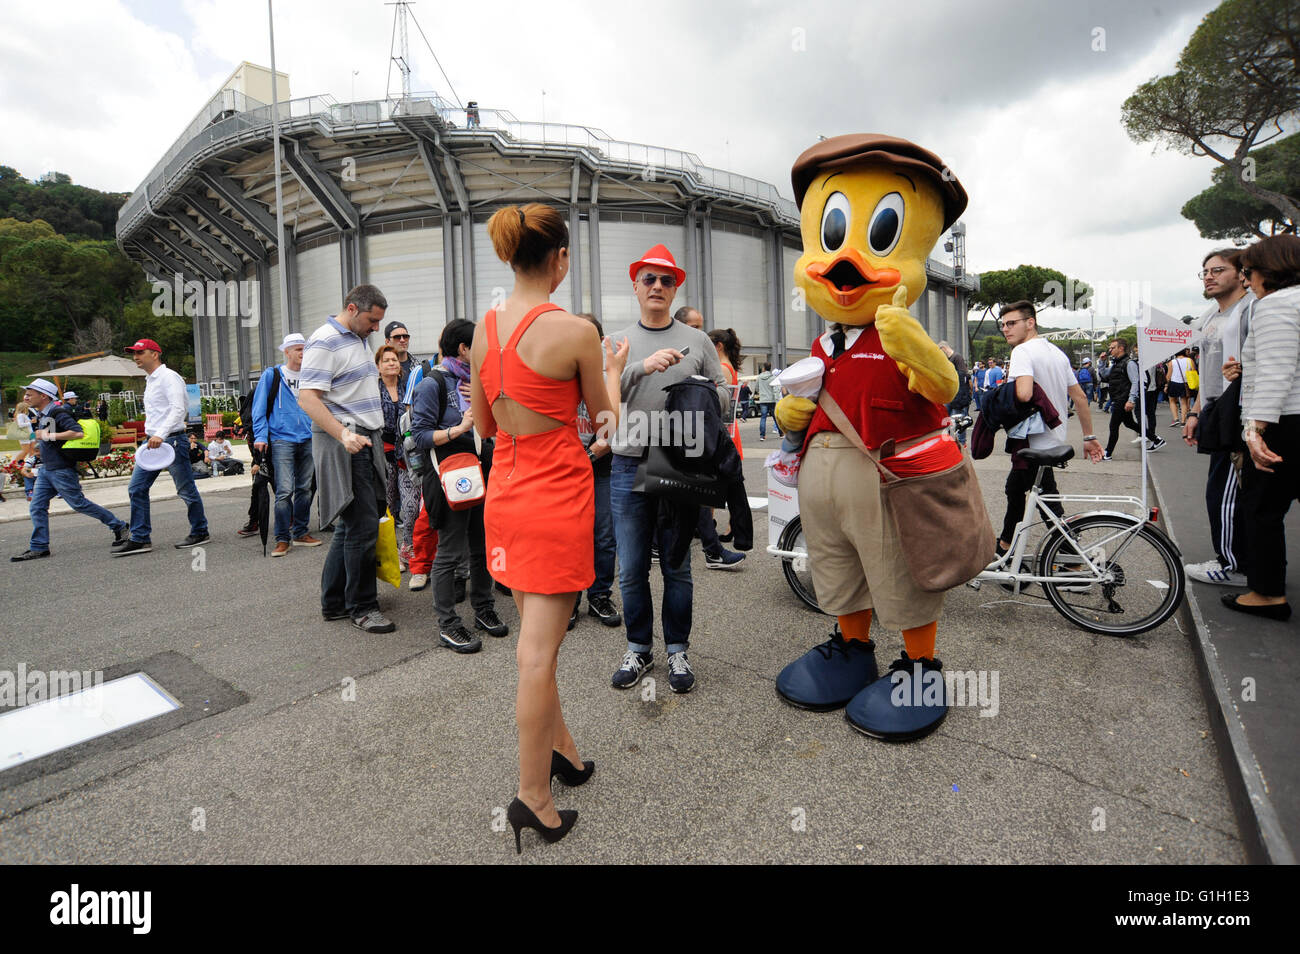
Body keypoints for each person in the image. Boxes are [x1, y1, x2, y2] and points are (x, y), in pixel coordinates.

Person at [469, 203, 628, 851]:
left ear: (512, 257)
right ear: (560, 259)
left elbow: (483, 426)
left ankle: (561, 750)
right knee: (537, 654)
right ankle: (534, 795)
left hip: (504, 494)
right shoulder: (574, 332)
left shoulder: (483, 330)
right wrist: (613, 377)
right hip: (555, 498)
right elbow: (608, 424)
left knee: (536, 645)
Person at [609, 243, 730, 694]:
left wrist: (695, 388)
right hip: (628, 463)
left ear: (675, 287)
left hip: (680, 465)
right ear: (636, 286)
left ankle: (677, 649)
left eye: (667, 280)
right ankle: (639, 648)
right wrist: (639, 367)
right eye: (650, 279)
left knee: (677, 566)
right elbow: (602, 399)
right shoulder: (617, 342)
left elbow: (723, 397)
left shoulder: (697, 341)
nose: (658, 286)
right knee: (631, 568)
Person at [297, 284, 396, 634]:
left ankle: (335, 602)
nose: (375, 328)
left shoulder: (358, 338)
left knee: (353, 524)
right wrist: (343, 434)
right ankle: (363, 607)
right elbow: (307, 397)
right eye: (372, 320)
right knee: (363, 526)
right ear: (352, 309)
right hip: (347, 442)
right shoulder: (324, 340)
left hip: (365, 440)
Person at [412, 319, 506, 651]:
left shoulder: (476, 382)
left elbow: (495, 427)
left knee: (481, 548)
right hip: (447, 478)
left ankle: (484, 609)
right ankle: (448, 624)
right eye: (478, 346)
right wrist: (459, 428)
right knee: (450, 551)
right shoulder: (433, 384)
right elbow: (419, 436)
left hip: (481, 474)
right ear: (464, 349)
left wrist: (484, 400)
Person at [1223, 236, 1300, 621]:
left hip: (1286, 424)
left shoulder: (1274, 306)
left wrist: (1254, 430)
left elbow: (1276, 373)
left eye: (1248, 272)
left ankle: (1268, 593)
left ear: (1268, 271)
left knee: (1262, 510)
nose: (1246, 280)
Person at [996, 301, 1103, 558]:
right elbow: (1079, 397)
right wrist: (1089, 436)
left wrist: (1000, 399)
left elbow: (1023, 393)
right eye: (1002, 325)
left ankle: (1071, 558)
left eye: (1012, 323)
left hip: (1034, 444)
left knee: (1039, 500)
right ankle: (1006, 548)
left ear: (1030, 322)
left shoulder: (1023, 352)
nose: (1005, 329)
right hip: (1052, 441)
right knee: (1020, 492)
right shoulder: (1057, 353)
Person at [1182, 248, 1254, 586]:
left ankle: (1232, 565)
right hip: (1214, 408)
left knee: (1223, 493)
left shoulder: (1251, 309)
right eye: (1205, 271)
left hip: (1239, 409)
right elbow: (1208, 371)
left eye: (1218, 270)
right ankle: (1243, 561)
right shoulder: (1211, 316)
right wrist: (1195, 412)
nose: (1209, 276)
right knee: (1230, 491)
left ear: (1242, 274)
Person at [11, 378, 128, 561]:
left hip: (61, 469)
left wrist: (49, 435)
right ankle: (39, 546)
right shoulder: (43, 415)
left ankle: (119, 526)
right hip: (47, 469)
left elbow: (77, 432)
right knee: (37, 506)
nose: (26, 397)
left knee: (78, 503)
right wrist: (33, 458)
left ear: (43, 396)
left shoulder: (58, 413)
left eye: (30, 394)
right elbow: (48, 443)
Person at [115, 339, 210, 556]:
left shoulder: (169, 377)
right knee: (136, 488)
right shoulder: (150, 380)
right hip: (153, 442)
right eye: (134, 353)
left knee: (185, 489)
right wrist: (154, 435)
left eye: (140, 353)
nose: (135, 357)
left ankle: (200, 530)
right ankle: (140, 538)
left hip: (171, 441)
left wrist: (160, 433)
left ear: (155, 354)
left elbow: (179, 409)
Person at [571, 312, 622, 629]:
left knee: (604, 536)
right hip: (566, 470)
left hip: (602, 469)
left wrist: (604, 443)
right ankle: (569, 600)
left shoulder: (609, 378)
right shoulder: (557, 375)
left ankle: (600, 595)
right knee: (571, 537)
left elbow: (622, 422)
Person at [252, 332, 320, 556]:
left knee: (305, 489)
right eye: (298, 349)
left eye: (305, 349)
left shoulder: (311, 376)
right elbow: (259, 408)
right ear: (287, 351)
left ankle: (300, 532)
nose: (302, 353)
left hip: (309, 437)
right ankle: (282, 538)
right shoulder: (272, 375)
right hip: (282, 439)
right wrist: (261, 436)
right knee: (284, 490)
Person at [700, 327, 747, 568]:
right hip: (729, 432)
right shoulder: (729, 367)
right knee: (723, 481)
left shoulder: (722, 370)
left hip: (722, 432)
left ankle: (720, 527)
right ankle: (727, 527)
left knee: (716, 481)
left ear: (717, 346)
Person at [376, 343, 420, 568]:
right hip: (383, 456)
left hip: (407, 455)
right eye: (386, 361)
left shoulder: (408, 387)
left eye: (394, 360)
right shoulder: (373, 390)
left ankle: (407, 548)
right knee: (388, 506)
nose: (392, 363)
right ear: (378, 366)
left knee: (411, 507)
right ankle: (390, 553)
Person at [1101, 338, 1164, 460]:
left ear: (1121, 348)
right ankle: (1156, 439)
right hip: (1119, 398)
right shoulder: (1116, 363)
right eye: (1110, 348)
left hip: (1123, 399)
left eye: (1112, 348)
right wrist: (1102, 362)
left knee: (1113, 426)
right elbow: (1104, 376)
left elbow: (1135, 382)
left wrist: (1131, 400)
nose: (1110, 350)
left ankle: (1108, 453)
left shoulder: (1129, 363)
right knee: (1129, 423)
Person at [938, 341, 971, 448]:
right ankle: (950, 440)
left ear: (943, 348)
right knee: (948, 419)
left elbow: (964, 375)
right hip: (951, 395)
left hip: (958, 396)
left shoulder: (957, 357)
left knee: (958, 419)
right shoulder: (950, 359)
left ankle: (961, 442)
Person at [383, 320, 419, 398]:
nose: (402, 340)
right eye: (397, 337)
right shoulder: (380, 369)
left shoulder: (419, 366)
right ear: (387, 341)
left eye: (405, 337)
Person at [1166, 348, 1195, 427]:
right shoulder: (1190, 360)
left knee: (1172, 400)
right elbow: (1194, 371)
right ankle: (1183, 421)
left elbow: (1168, 376)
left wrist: (1166, 384)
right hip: (1186, 383)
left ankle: (1176, 419)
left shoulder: (1172, 362)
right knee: (1184, 402)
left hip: (1174, 383)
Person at [755, 362, 782, 441]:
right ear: (770, 368)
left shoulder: (759, 377)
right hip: (772, 400)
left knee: (763, 417)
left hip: (763, 400)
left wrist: (761, 391)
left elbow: (756, 388)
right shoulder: (773, 377)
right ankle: (781, 433)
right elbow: (776, 389)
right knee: (775, 417)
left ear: (763, 368)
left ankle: (762, 436)